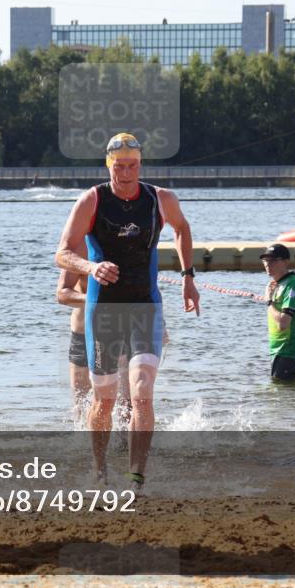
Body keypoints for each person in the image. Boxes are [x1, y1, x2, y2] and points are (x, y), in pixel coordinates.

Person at [55, 132, 200, 490]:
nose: (125, 172)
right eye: (119, 166)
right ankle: (100, 471)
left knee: (142, 391)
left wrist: (187, 276)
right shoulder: (92, 200)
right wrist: (91, 268)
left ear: (140, 164)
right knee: (103, 400)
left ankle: (136, 476)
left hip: (145, 307)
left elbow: (182, 228)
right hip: (103, 311)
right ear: (109, 165)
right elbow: (62, 252)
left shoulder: (160, 199)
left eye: (132, 165)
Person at [56, 244, 132, 426]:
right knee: (81, 409)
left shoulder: (129, 244)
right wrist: (94, 299)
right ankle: (90, 453)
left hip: (121, 333)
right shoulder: (81, 247)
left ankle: (125, 451)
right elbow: (62, 294)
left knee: (126, 407)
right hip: (83, 334)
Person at [261, 243, 295, 382]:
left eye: (272, 260)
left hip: (291, 354)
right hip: (281, 353)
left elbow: (283, 323)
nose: (267, 264)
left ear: (286, 262)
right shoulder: (279, 284)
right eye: (265, 261)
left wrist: (269, 302)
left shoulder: (293, 283)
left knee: (279, 398)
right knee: (286, 399)